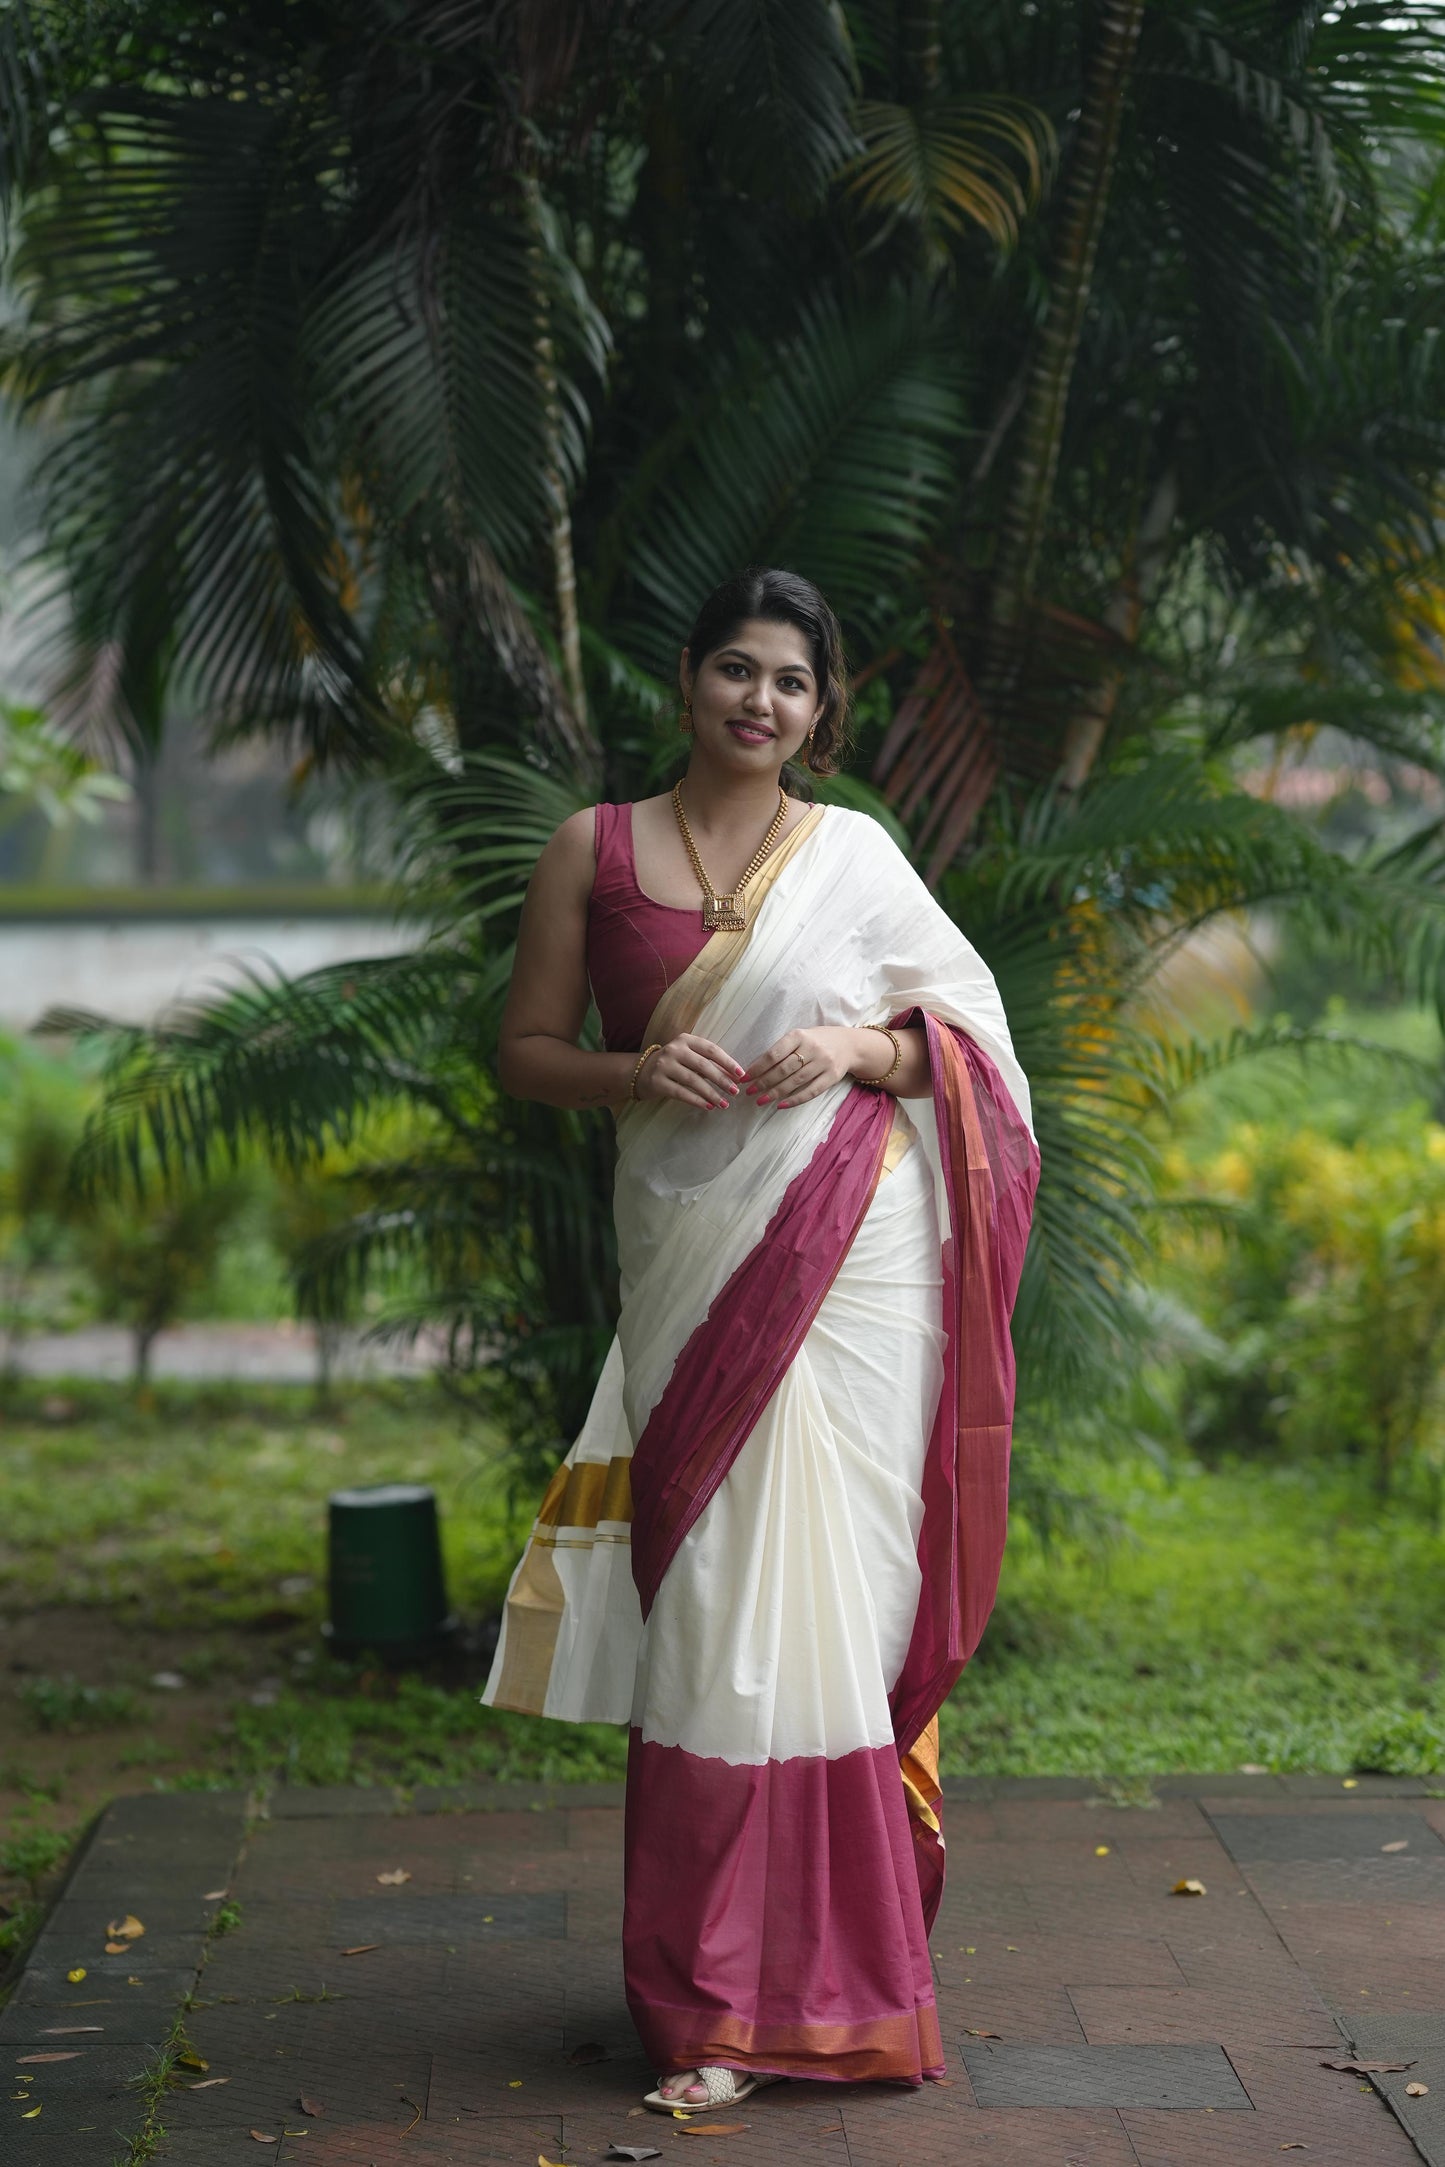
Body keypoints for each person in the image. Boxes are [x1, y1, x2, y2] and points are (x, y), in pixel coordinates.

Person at [482, 566, 1039, 2115]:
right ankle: (710, 2004)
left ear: (818, 710)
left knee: (837, 1616)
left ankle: (847, 1993)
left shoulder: (853, 858)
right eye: (737, 669)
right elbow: (527, 1054)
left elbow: (972, 1044)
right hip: (690, 1255)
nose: (761, 702)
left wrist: (861, 1043)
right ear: (684, 680)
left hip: (853, 1271)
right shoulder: (591, 850)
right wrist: (639, 1078)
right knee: (721, 1615)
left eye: (791, 683)